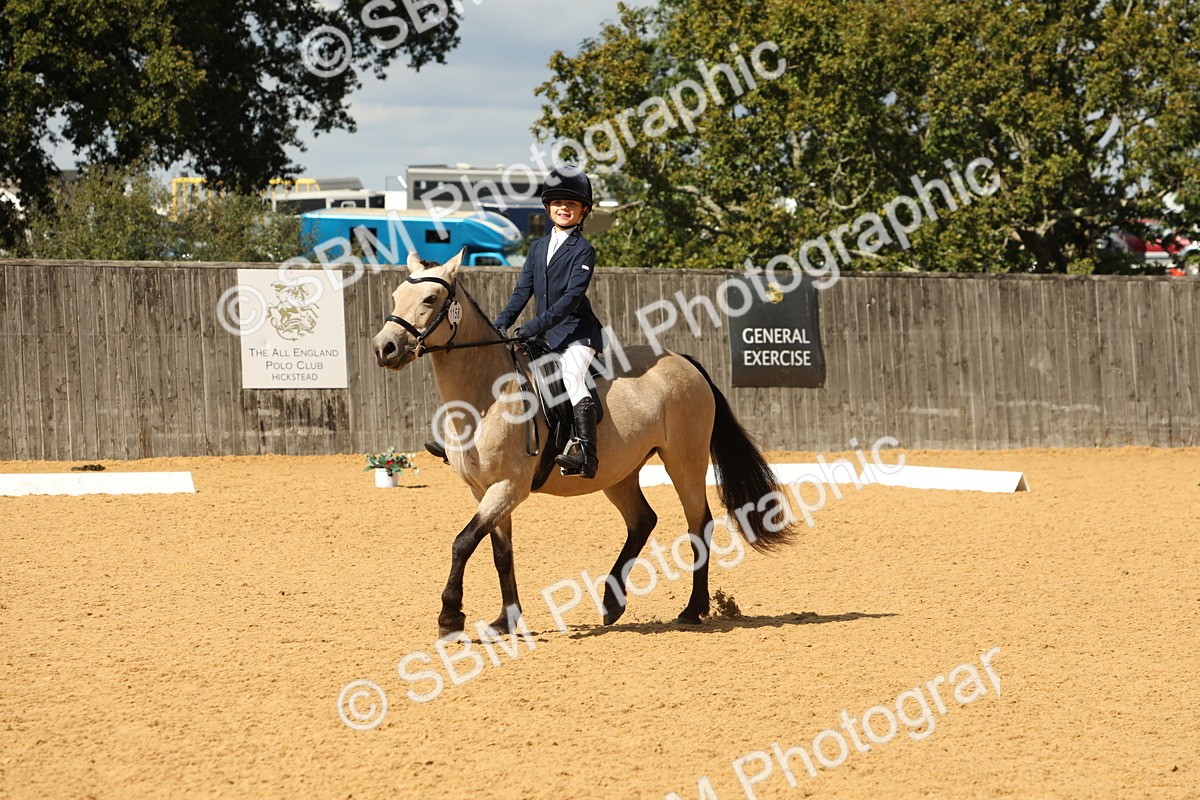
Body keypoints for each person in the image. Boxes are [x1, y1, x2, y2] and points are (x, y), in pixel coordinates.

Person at [494, 166, 604, 479]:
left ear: (583, 211)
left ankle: (586, 454)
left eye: (572, 204)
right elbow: (522, 292)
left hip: (577, 335)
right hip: (545, 334)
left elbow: (570, 300)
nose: (564, 208)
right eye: (557, 202)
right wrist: (500, 324)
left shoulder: (583, 250)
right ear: (547, 207)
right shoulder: (537, 248)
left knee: (571, 376)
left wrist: (533, 326)